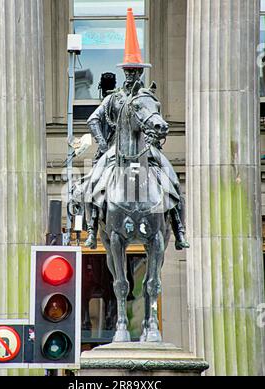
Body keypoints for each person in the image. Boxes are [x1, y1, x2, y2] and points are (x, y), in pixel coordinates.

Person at [75, 8, 189, 251]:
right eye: (128, 71)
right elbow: (93, 120)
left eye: (135, 71)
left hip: (146, 148)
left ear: (141, 72)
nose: (131, 75)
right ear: (123, 72)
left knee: (172, 178)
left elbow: (155, 117)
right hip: (117, 148)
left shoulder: (147, 96)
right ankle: (93, 226)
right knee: (92, 182)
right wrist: (104, 144)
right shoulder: (114, 98)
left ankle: (179, 227)